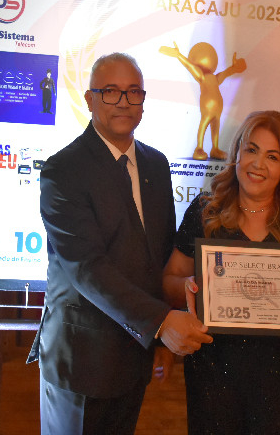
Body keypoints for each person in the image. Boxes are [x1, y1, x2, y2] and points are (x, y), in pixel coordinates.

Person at [28, 53, 213, 435]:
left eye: (133, 92)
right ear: (90, 99)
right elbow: (86, 269)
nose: (124, 102)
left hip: (135, 356)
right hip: (80, 360)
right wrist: (161, 323)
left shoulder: (156, 165)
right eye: (111, 91)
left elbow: (159, 259)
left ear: (143, 101)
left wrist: (160, 339)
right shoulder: (63, 170)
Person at [163, 110, 280, 435]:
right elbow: (169, 281)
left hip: (279, 380)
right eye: (251, 150)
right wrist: (188, 287)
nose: (258, 164)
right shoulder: (205, 210)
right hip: (212, 375)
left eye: (272, 156)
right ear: (237, 153)